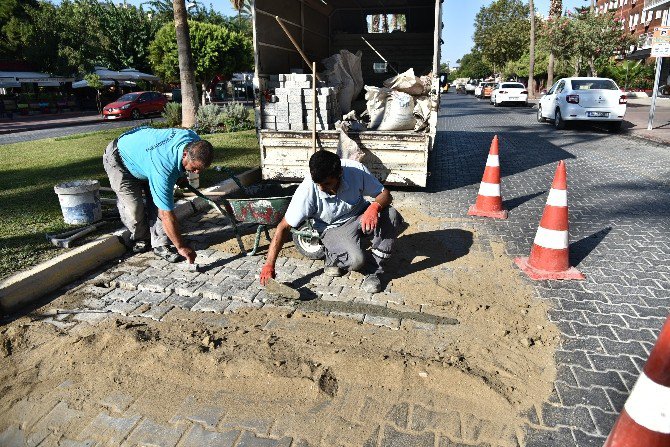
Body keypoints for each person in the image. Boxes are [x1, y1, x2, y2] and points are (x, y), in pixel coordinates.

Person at [259, 151, 404, 293]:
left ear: (340, 173)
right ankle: (332, 257)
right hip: (333, 227)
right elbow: (283, 227)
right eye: (318, 183)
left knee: (391, 215)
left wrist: (374, 207)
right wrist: (269, 265)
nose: (322, 188)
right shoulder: (307, 191)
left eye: (327, 183)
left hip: (359, 213)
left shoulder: (356, 171)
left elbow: (384, 194)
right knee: (357, 260)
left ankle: (374, 271)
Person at [103, 127, 214, 264]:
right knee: (133, 208)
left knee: (158, 202)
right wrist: (181, 246)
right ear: (185, 154)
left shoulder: (193, 140)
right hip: (121, 159)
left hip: (148, 158)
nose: (196, 173)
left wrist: (181, 174)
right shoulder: (163, 169)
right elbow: (166, 214)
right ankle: (140, 238)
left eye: (200, 169)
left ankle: (160, 244)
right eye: (194, 168)